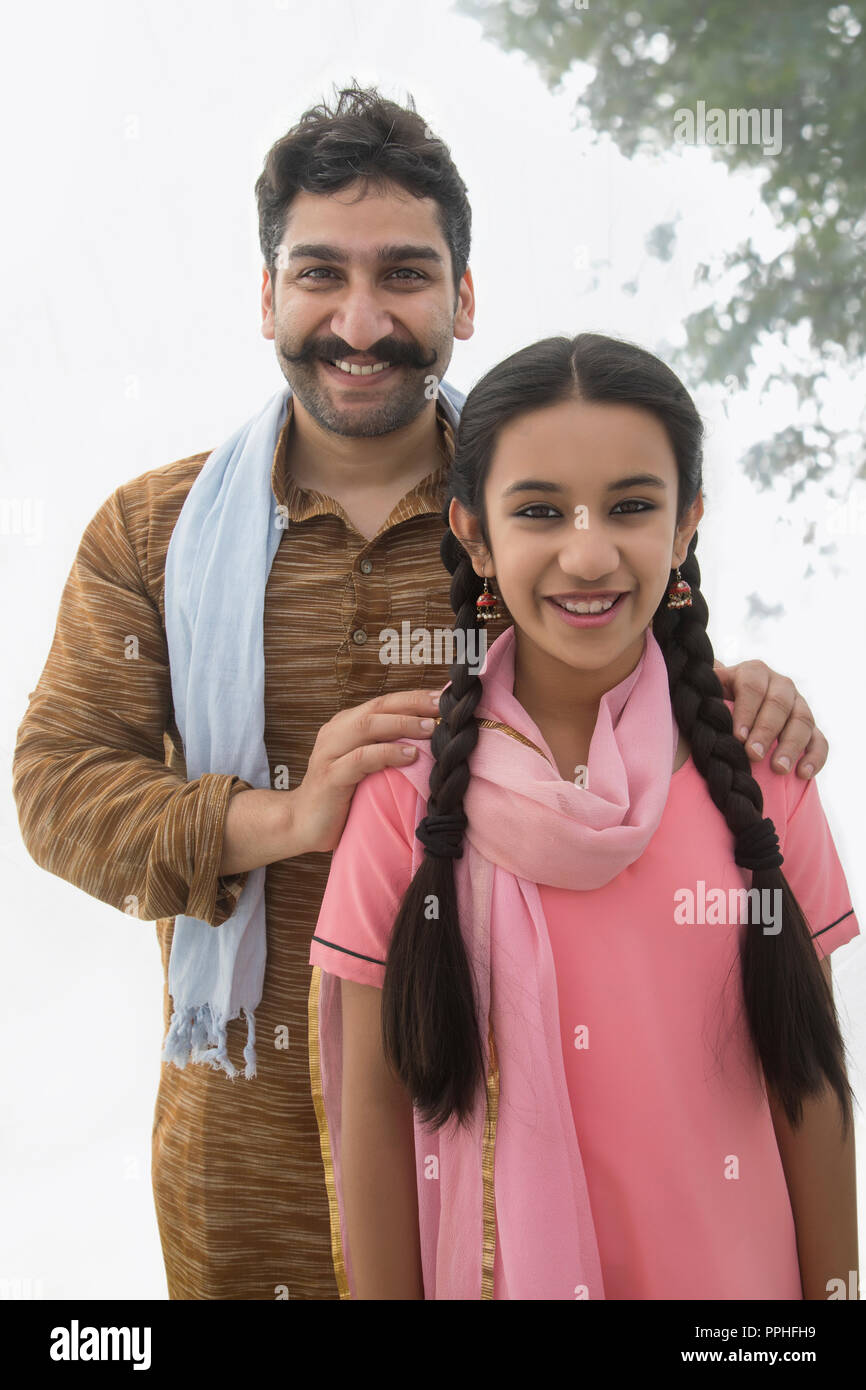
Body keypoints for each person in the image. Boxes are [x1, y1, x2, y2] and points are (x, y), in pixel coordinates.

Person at [13, 85, 831, 1302]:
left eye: (402, 274)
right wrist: (279, 819)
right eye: (316, 274)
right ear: (264, 297)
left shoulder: (541, 500)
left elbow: (640, 691)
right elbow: (58, 796)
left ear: (460, 298)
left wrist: (743, 691)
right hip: (253, 1139)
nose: (358, 319)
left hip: (528, 1126)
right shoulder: (153, 533)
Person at [308, 332, 859, 1301]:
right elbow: (376, 1125)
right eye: (537, 512)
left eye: (631, 507)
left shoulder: (764, 770)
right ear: (473, 535)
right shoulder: (401, 794)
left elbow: (808, 1086)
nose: (588, 551)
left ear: (685, 526)